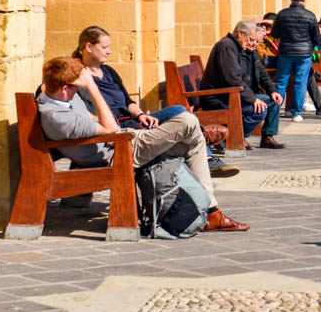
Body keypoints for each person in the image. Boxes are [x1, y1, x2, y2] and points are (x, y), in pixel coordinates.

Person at [38, 56, 249, 231]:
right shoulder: (56, 116)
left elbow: (90, 119)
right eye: (77, 88)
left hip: (123, 140)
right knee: (187, 121)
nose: (79, 92)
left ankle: (212, 212)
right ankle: (205, 138)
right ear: (65, 88)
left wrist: (107, 126)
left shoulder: (54, 95)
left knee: (193, 142)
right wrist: (92, 86)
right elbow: (110, 128)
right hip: (118, 152)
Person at [72, 25, 236, 177]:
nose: (109, 51)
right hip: (116, 127)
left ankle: (202, 140)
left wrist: (141, 115)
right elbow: (78, 110)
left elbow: (129, 101)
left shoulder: (108, 71)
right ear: (88, 47)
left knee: (178, 110)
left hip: (132, 120)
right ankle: (205, 147)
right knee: (183, 121)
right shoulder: (79, 76)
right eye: (105, 47)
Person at [199, 20, 286, 148]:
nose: (252, 43)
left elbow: (262, 74)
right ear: (240, 33)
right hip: (220, 98)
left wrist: (272, 90)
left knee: (273, 101)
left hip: (236, 94)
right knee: (259, 110)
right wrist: (253, 99)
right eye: (250, 39)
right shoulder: (226, 46)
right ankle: (230, 138)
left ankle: (267, 136)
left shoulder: (244, 48)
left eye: (257, 42)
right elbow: (232, 80)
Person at [272, 0, 321, 121]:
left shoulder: (282, 14)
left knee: (281, 82)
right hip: (304, 53)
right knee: (301, 82)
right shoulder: (310, 15)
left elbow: (275, 34)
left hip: (285, 52)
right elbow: (317, 38)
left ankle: (275, 111)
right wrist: (310, 45)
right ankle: (296, 113)